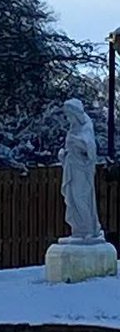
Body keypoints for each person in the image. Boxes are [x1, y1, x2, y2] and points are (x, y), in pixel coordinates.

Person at [58, 98, 103, 242]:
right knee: (72, 199)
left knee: (81, 199)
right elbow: (71, 150)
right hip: (71, 168)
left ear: (75, 114)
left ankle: (88, 230)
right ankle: (78, 231)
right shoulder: (73, 128)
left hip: (82, 171)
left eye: (69, 115)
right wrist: (63, 156)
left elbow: (90, 150)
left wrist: (76, 142)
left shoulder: (86, 126)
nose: (68, 118)